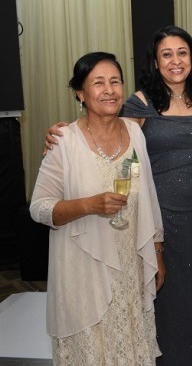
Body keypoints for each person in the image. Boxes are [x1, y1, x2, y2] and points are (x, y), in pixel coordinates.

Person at [44, 27, 192, 366]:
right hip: (164, 216)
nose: (176, 60)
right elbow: (110, 138)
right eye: (167, 54)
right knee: (170, 298)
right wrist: (62, 136)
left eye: (183, 52)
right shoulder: (140, 103)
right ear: (156, 63)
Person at [30, 52, 165, 365]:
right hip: (83, 268)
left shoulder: (134, 134)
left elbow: (146, 194)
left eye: (115, 81)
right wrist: (89, 205)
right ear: (80, 93)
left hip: (129, 259)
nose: (109, 90)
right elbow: (39, 207)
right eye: (98, 83)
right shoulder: (64, 140)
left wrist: (157, 252)